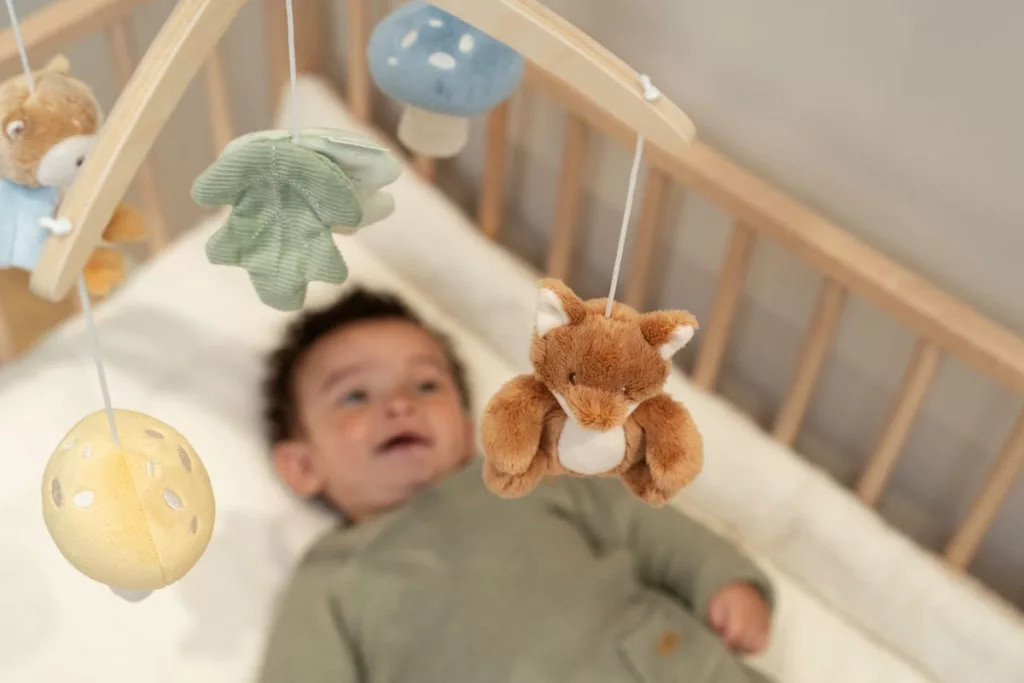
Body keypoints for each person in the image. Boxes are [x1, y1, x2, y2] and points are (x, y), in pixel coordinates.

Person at [258, 287, 774, 683]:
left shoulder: (531, 477)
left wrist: (722, 579)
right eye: (354, 396)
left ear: (466, 428)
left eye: (426, 385)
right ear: (302, 466)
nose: (399, 404)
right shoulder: (331, 580)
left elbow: (646, 525)